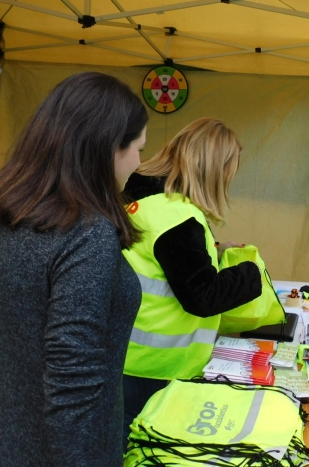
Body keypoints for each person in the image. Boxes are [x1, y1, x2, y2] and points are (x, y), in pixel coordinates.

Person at [0, 72, 148, 466]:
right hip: (70, 452)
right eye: (138, 148)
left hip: (3, 443)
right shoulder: (88, 233)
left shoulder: (4, 214)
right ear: (108, 148)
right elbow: (73, 378)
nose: (139, 162)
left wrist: (18, 388)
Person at [121, 118, 262, 448]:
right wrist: (251, 274)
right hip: (156, 370)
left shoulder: (143, 197)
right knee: (147, 452)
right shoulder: (178, 219)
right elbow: (202, 295)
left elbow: (164, 265)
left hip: (127, 359)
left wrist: (214, 250)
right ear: (214, 168)